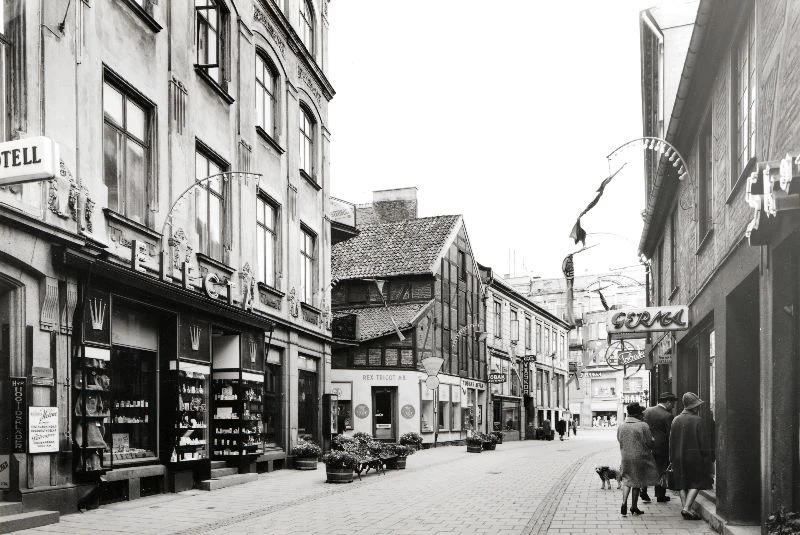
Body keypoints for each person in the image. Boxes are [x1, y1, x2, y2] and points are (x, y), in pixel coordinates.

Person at [670, 392, 714, 521]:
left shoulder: (676, 419)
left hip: (678, 457)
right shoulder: (698, 420)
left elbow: (671, 442)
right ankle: (687, 508)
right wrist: (708, 458)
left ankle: (686, 508)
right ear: (694, 407)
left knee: (681, 483)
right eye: (698, 406)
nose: (699, 408)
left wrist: (671, 459)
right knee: (697, 482)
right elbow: (704, 442)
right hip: (695, 457)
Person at [617, 402, 659, 516]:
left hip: (625, 457)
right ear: (638, 414)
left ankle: (624, 502)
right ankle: (634, 506)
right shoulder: (643, 425)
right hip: (640, 457)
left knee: (627, 480)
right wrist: (653, 441)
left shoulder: (621, 426)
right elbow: (650, 442)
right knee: (636, 481)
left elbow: (619, 440)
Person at [641, 392, 677, 503]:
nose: (674, 406)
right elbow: (670, 434)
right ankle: (660, 495)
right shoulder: (667, 415)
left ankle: (644, 491)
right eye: (673, 403)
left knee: (647, 469)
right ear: (667, 402)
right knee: (661, 470)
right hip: (662, 447)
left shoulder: (647, 411)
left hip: (647, 445)